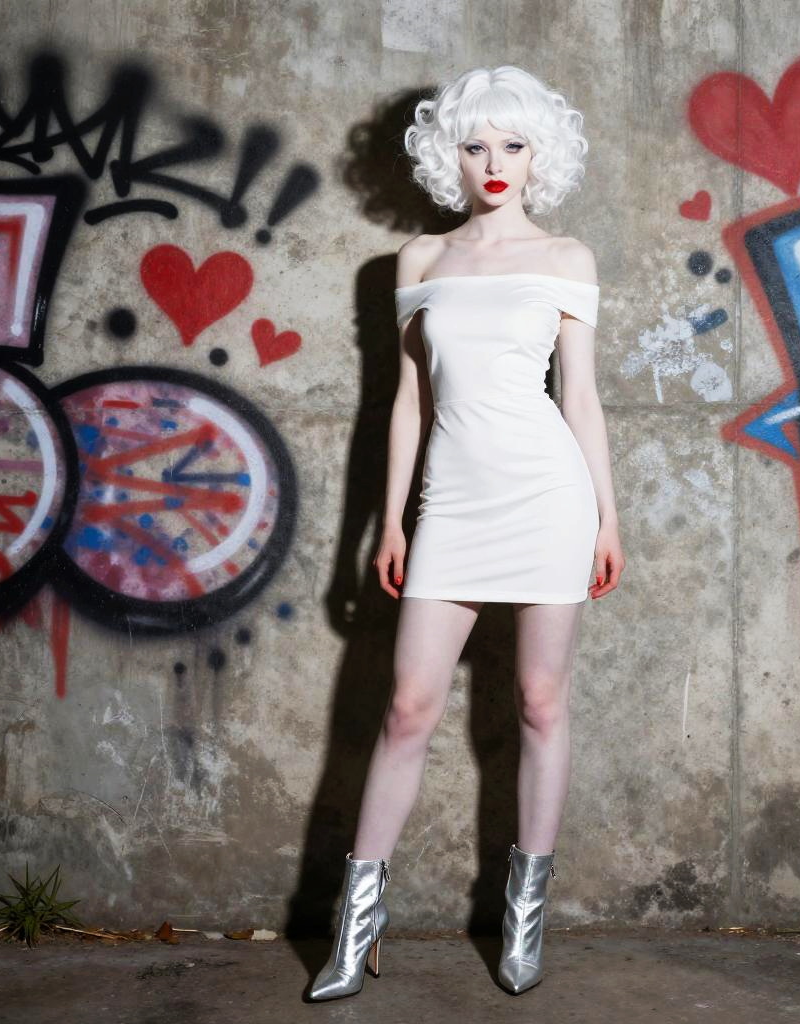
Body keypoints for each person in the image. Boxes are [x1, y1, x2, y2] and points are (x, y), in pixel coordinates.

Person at [306, 65, 625, 1002]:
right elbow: (408, 401)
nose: (495, 162)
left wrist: (607, 516)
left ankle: (524, 922)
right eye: (476, 144)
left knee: (539, 703)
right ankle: (355, 929)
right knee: (408, 708)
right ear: (447, 155)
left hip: (548, 496)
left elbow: (581, 397)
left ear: (539, 155)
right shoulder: (419, 260)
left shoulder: (567, 257)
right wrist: (390, 522)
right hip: (451, 502)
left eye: (514, 145)